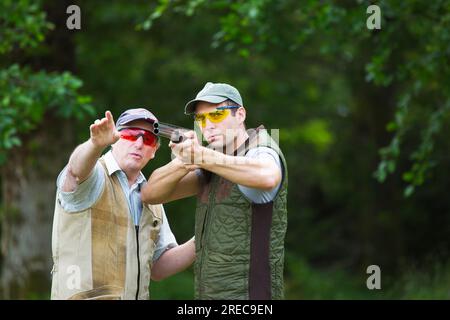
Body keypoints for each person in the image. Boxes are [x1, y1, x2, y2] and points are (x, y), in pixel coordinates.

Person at [141, 82, 288, 300]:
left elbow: (267, 176)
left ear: (240, 114)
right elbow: (151, 194)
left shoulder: (260, 147)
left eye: (216, 115)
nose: (207, 125)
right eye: (200, 119)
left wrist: (200, 156)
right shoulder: (212, 159)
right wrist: (184, 161)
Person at [51, 108, 195, 300]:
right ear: (114, 140)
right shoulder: (95, 175)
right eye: (130, 134)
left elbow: (159, 267)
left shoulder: (152, 198)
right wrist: (95, 144)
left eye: (149, 138)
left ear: (154, 151)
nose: (139, 143)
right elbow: (75, 172)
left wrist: (202, 237)